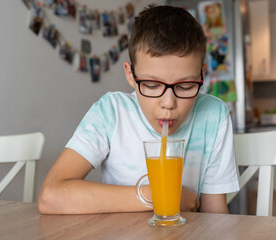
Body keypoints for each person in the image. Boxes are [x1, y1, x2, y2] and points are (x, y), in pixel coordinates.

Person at [38, 5, 239, 215]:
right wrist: (157, 197)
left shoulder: (214, 116)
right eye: (152, 85)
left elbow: (215, 218)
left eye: (185, 86)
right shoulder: (111, 112)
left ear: (202, 74)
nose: (168, 103)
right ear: (131, 76)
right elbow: (51, 196)